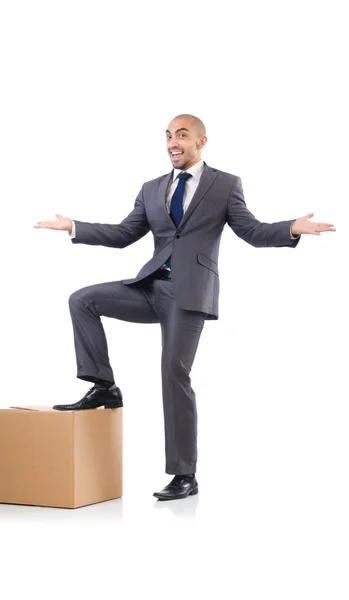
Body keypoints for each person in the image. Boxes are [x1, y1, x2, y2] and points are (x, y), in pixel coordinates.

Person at [34, 114, 335, 501]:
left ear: (201, 141)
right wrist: (75, 226)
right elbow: (126, 234)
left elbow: (251, 231)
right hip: (149, 287)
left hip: (190, 294)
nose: (173, 142)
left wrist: (291, 228)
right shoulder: (151, 188)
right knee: (83, 300)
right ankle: (104, 386)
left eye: (182, 135)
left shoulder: (224, 184)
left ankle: (184, 475)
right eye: (168, 136)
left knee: (173, 374)